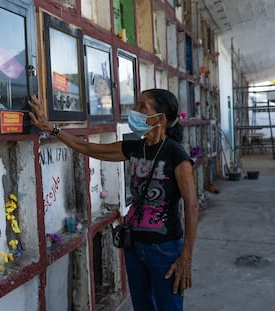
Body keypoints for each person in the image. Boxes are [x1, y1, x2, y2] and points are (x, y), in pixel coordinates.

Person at [28, 89, 199, 310]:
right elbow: (86, 147)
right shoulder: (136, 148)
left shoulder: (176, 155)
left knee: (168, 307)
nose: (135, 112)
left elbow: (192, 205)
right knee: (142, 306)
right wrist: (52, 128)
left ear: (160, 118)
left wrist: (186, 256)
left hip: (164, 249)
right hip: (134, 244)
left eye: (142, 106)